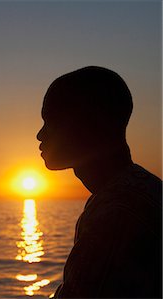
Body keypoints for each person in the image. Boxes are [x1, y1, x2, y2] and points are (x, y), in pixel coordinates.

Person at [37, 66, 162, 298]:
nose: (40, 135)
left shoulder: (118, 213)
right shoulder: (139, 191)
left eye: (50, 121)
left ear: (86, 124)